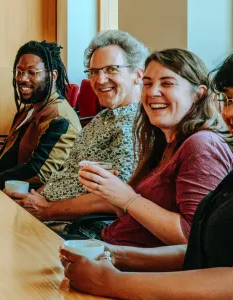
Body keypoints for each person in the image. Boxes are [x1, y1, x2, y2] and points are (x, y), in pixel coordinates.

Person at [61, 42, 233, 299]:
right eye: (228, 99)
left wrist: (109, 282)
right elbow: (202, 249)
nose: (230, 112)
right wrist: (116, 255)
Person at [73, 48, 233, 246]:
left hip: (128, 267)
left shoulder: (201, 146)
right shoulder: (164, 142)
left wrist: (128, 198)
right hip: (110, 248)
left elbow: (191, 238)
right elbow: (137, 218)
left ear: (198, 94)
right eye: (147, 83)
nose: (152, 92)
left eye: (166, 83)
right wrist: (111, 192)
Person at [8, 30, 144, 225]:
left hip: (74, 229)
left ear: (137, 75)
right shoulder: (102, 118)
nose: (100, 79)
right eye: (94, 72)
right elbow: (66, 173)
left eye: (111, 69)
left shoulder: (135, 125)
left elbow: (116, 198)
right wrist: (31, 199)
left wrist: (47, 210)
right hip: (45, 213)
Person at [0, 40, 81, 188]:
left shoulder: (59, 117)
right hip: (1, 187)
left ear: (53, 75)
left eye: (32, 72)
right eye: (19, 72)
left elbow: (40, 172)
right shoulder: (28, 111)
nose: (22, 78)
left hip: (26, 199)